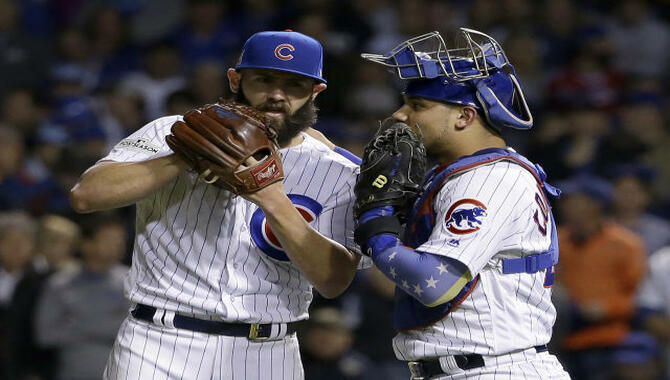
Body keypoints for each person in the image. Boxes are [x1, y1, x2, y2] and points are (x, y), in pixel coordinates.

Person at [69, 30, 363, 380]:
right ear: (236, 79)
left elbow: (333, 281)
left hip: (267, 351)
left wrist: (272, 199)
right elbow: (86, 196)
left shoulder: (338, 170)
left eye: (295, 85)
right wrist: (183, 156)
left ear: (315, 92)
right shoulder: (173, 131)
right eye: (263, 79)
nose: (276, 95)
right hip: (158, 341)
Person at [354, 28, 570, 379]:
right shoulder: (453, 176)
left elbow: (435, 284)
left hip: (494, 369)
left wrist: (378, 227)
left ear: (464, 116)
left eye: (418, 105)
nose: (399, 115)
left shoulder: (489, 178)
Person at [35, 215, 129, 380]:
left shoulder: (132, 282)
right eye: (109, 239)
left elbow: (134, 330)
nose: (118, 245)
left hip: (122, 373)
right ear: (86, 244)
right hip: (72, 373)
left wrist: (77, 323)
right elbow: (45, 334)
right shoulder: (59, 284)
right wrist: (107, 324)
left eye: (120, 239)